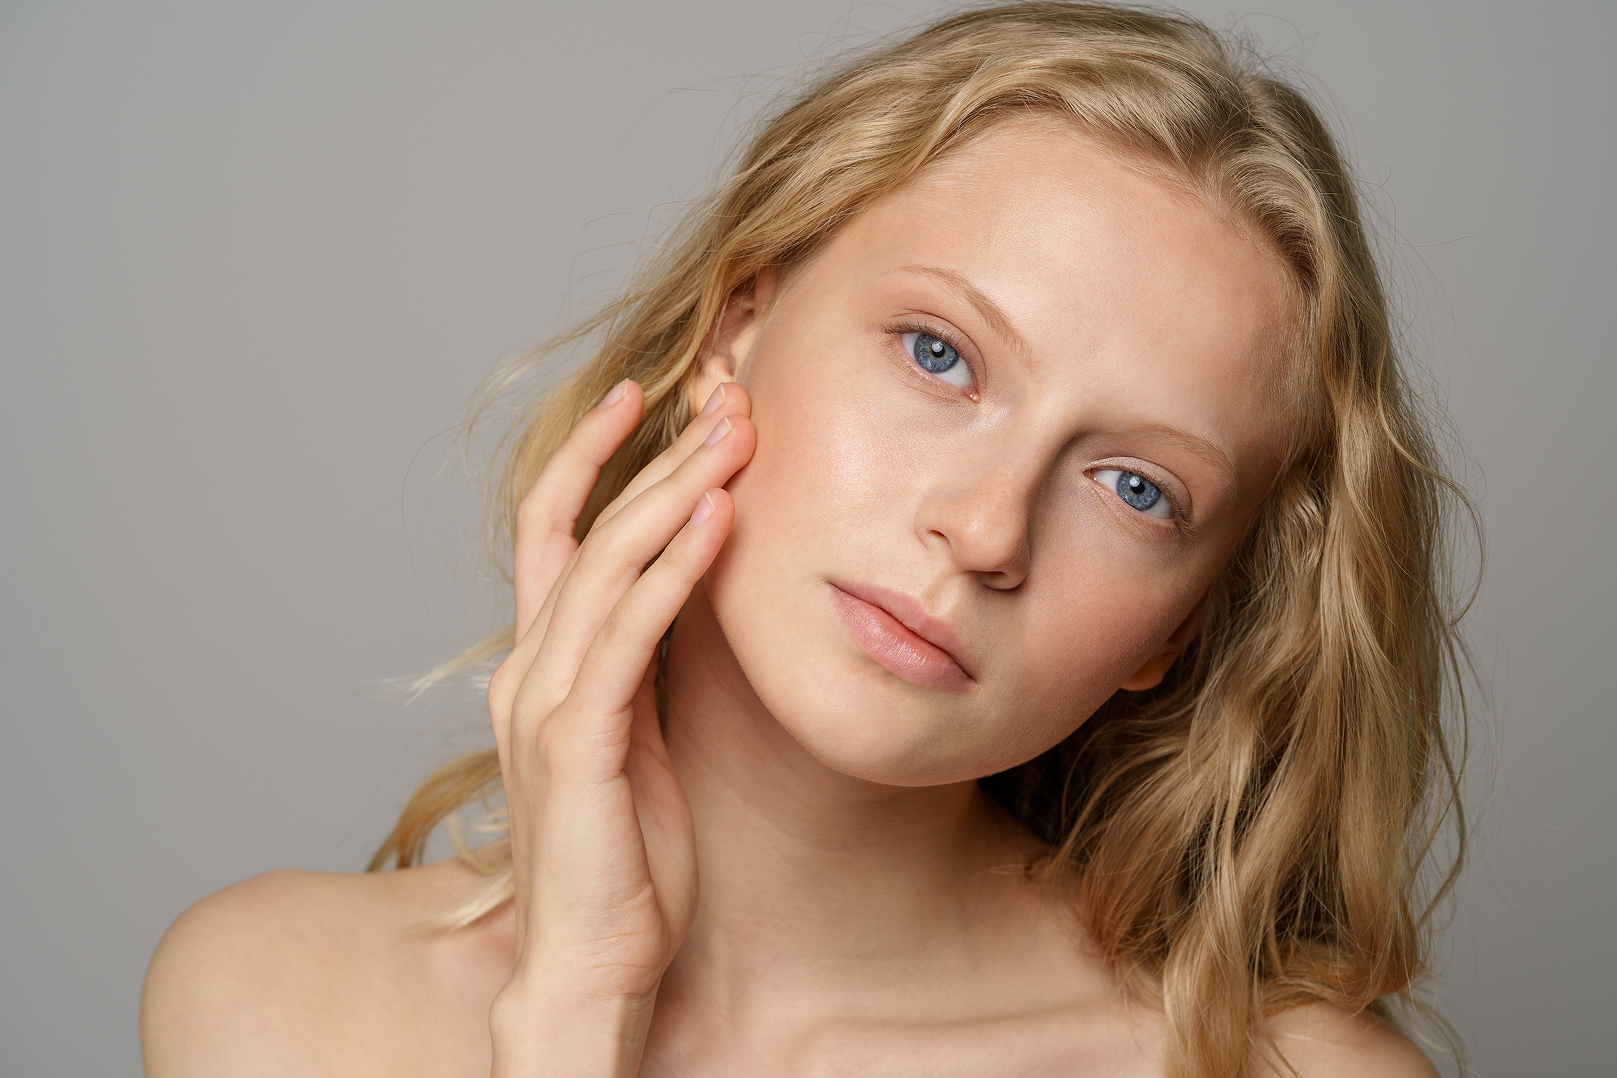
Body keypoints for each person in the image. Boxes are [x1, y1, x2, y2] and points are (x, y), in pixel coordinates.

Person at [140, 4, 1473, 1075]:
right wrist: (576, 1014)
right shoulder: (272, 1002)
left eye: (1135, 487)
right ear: (739, 323)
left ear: (1177, 627)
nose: (985, 525)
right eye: (940, 354)